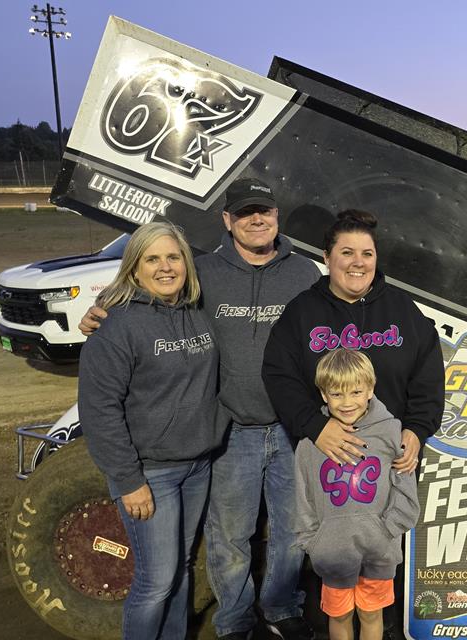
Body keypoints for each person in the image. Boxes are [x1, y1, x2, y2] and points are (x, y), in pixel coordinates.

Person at [81, 177, 320, 640]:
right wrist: (101, 311)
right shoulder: (204, 273)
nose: (256, 219)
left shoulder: (304, 274)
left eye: (264, 211)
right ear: (227, 221)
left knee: (292, 531)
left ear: (276, 218)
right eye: (245, 212)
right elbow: (139, 309)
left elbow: (332, 324)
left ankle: (281, 608)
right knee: (227, 538)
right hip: (231, 432)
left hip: (290, 429)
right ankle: (233, 621)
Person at [261, 209, 444, 639]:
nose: (358, 262)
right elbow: (278, 375)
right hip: (329, 460)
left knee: (378, 578)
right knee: (337, 584)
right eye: (347, 252)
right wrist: (314, 425)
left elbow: (428, 374)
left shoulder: (401, 309)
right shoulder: (303, 312)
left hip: (386, 461)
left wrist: (416, 429)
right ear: (328, 257)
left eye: (367, 253)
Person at [78, 222, 221, 640]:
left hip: (197, 465)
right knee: (155, 581)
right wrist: (127, 480)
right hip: (150, 473)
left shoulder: (197, 310)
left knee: (179, 569)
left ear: (186, 264)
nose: (165, 267)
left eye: (173, 257)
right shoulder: (116, 325)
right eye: (152, 259)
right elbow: (99, 409)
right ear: (134, 268)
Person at [293, 349, 420, 640]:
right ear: (324, 394)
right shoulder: (310, 443)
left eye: (356, 392)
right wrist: (313, 540)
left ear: (370, 390)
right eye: (337, 394)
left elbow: (405, 489)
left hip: (379, 549)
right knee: (339, 616)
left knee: (372, 615)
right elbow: (303, 496)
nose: (347, 402)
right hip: (333, 552)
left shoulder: (390, 432)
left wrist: (386, 531)